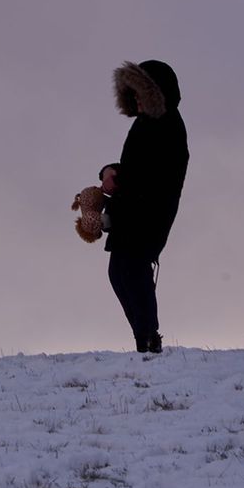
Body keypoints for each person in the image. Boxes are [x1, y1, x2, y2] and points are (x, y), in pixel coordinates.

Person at [99, 60, 188, 355]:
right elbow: (134, 167)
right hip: (132, 211)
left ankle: (148, 339)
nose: (136, 97)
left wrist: (117, 178)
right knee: (120, 272)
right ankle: (145, 338)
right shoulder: (146, 123)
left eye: (140, 91)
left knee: (132, 270)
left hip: (149, 213)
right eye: (133, 91)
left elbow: (154, 173)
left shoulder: (168, 124)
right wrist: (110, 171)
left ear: (154, 92)